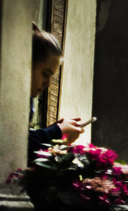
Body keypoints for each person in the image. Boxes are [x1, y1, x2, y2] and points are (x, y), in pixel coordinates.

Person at [28, 25, 85, 164]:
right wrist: (56, 132)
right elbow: (18, 142)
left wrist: (50, 132)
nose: (47, 84)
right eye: (45, 74)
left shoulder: (28, 101)